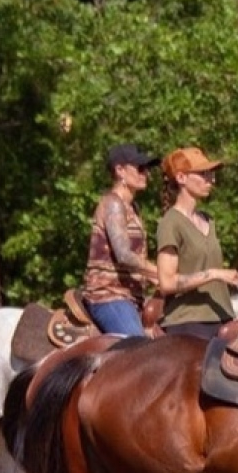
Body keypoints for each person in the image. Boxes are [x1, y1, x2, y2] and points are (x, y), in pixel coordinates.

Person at [155, 146, 238, 340]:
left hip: (223, 316)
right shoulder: (171, 223)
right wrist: (214, 274)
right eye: (203, 174)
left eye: (211, 174)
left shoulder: (209, 220)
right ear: (181, 178)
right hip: (189, 322)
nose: (211, 180)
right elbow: (167, 282)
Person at [83, 143, 160, 336]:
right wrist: (160, 273)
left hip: (131, 296)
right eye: (140, 168)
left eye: (147, 169)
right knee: (140, 351)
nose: (146, 174)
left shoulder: (133, 208)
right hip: (108, 296)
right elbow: (124, 255)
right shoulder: (113, 204)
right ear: (120, 170)